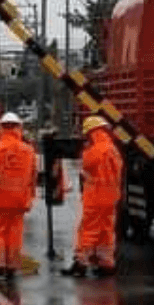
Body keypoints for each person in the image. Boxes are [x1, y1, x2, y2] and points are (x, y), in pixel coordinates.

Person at [62, 115, 124, 277]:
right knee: (106, 230)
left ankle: (81, 263)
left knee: (88, 230)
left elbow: (87, 165)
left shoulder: (94, 150)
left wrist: (85, 150)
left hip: (96, 197)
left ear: (91, 132)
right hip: (111, 196)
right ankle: (106, 263)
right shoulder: (113, 149)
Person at [0, 111, 37, 283]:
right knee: (15, 233)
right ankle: (12, 266)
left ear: (2, 127)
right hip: (20, 200)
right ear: (18, 127)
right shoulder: (28, 150)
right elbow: (33, 177)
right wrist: (30, 197)